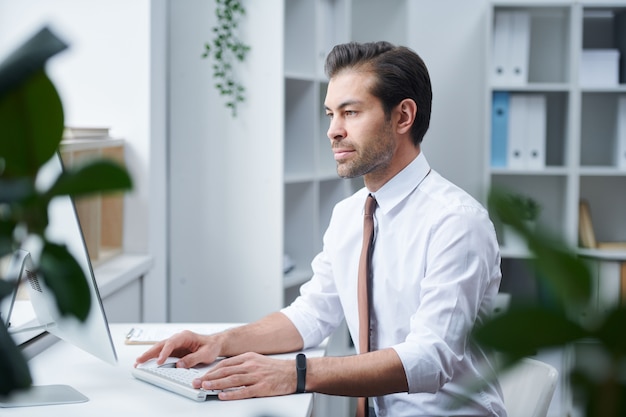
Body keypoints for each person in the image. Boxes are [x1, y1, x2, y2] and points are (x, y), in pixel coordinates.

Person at [136, 41, 506, 417]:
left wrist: (294, 373)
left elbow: (430, 359)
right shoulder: (349, 215)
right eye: (330, 114)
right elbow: (311, 315)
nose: (332, 131)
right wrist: (218, 342)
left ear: (403, 117)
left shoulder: (457, 222)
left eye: (350, 112)